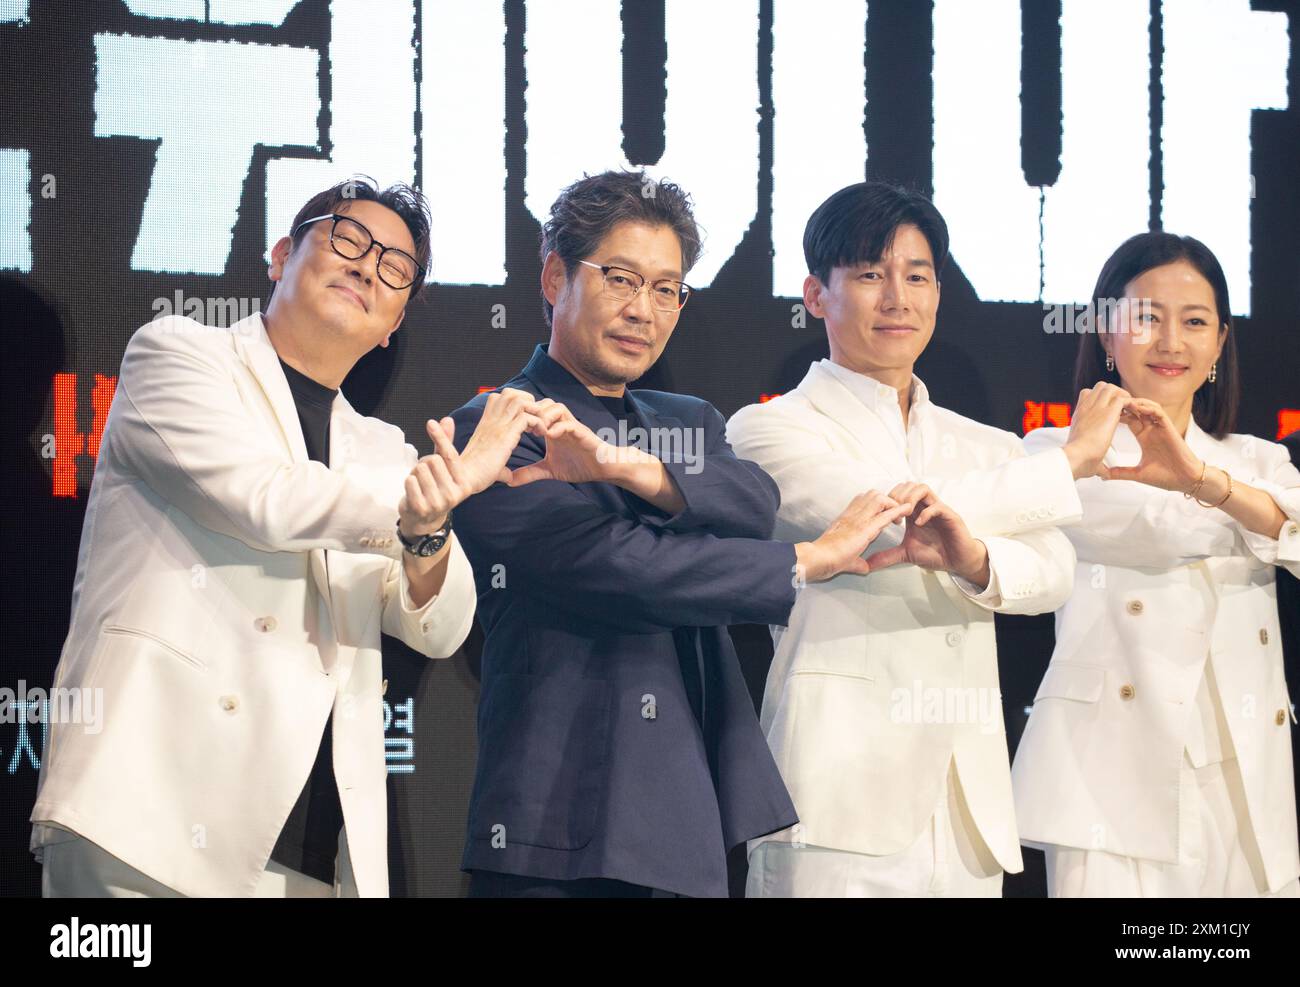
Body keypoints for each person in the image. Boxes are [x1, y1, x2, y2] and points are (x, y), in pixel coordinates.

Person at [30, 178, 526, 897]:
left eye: (396, 267)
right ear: (283, 253)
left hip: (309, 848)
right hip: (146, 813)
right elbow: (261, 499)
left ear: (393, 324)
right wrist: (430, 494)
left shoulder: (384, 450)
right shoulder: (176, 355)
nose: (366, 266)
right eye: (349, 238)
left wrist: (427, 529)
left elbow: (440, 624)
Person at [448, 170, 912, 897]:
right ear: (553, 276)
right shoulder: (503, 423)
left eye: (667, 289)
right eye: (622, 279)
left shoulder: (685, 419)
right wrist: (806, 559)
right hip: (558, 828)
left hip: (691, 824)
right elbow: (620, 569)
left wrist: (635, 472)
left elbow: (753, 502)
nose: (644, 309)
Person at [727, 181, 1117, 897]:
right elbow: (875, 513)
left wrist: (974, 557)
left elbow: (1056, 567)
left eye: (916, 275)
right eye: (871, 275)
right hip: (837, 799)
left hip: (967, 812)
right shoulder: (768, 429)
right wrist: (1065, 462)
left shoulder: (990, 445)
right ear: (817, 295)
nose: (897, 298)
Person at [1012, 232, 1300, 897]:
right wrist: (1248, 516)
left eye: (1194, 321)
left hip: (1242, 766)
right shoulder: (1054, 453)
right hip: (1108, 770)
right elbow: (1150, 532)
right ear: (1107, 335)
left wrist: (1203, 479)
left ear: (1220, 342)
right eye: (1146, 318)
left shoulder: (1258, 459)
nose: (1171, 341)